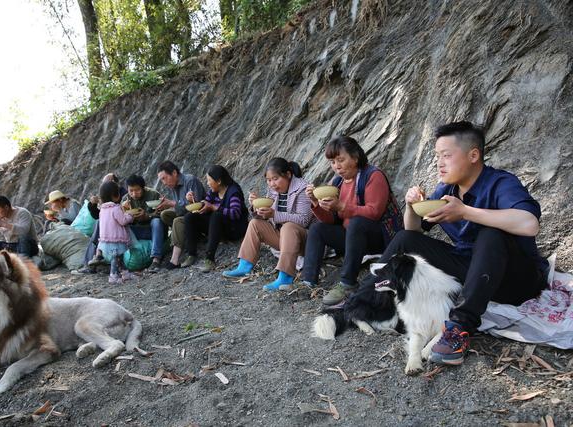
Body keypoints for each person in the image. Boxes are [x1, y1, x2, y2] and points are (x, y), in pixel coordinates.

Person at [359, 121, 548, 366]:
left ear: (473, 155)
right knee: (405, 240)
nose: (439, 162)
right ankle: (362, 299)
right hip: (472, 273)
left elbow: (529, 223)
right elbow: (413, 231)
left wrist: (466, 212)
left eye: (447, 155)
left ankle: (458, 328)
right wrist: (411, 207)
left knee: (490, 234)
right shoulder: (447, 190)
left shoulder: (501, 183)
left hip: (516, 281)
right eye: (437, 156)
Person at [302, 136, 402, 305]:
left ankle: (348, 283)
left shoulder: (373, 176)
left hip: (380, 237)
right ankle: (308, 281)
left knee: (356, 222)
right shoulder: (338, 182)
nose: (337, 166)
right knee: (318, 229)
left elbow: (374, 212)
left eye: (341, 160)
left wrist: (341, 206)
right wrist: (315, 203)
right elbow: (331, 219)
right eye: (332, 162)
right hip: (353, 237)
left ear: (355, 158)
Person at [223, 158, 314, 291]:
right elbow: (266, 217)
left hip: (305, 241)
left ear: (288, 175)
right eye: (269, 180)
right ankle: (244, 266)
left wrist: (274, 214)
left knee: (288, 226)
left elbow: (304, 220)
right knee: (255, 223)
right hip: (283, 240)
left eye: (275, 178)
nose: (272, 184)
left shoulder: (303, 188)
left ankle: (285, 277)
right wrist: (256, 207)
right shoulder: (273, 191)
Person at [182, 165, 248, 273]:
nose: (207, 183)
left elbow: (235, 213)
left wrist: (213, 207)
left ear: (218, 181)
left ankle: (210, 258)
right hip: (217, 228)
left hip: (234, 229)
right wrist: (194, 201)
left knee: (216, 215)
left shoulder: (233, 191)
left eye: (209, 180)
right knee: (190, 217)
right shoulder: (214, 191)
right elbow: (206, 202)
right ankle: (191, 254)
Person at [155, 160, 206, 269]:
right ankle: (185, 236)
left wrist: (172, 203)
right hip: (186, 214)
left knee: (177, 221)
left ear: (174, 173)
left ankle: (174, 260)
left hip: (199, 216)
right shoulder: (173, 186)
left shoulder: (190, 180)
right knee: (164, 214)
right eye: (161, 180)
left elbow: (195, 205)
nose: (163, 182)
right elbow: (180, 208)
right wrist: (167, 205)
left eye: (164, 178)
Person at [73, 173, 126, 275]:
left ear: (115, 184)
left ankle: (96, 258)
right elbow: (97, 215)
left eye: (108, 183)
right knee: (98, 222)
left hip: (121, 227)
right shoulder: (106, 195)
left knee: (98, 224)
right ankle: (92, 261)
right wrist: (92, 205)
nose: (105, 186)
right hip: (111, 228)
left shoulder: (123, 194)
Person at [121, 174, 166, 272]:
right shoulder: (125, 199)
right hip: (136, 231)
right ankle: (116, 260)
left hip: (151, 231)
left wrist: (147, 216)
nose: (134, 194)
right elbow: (120, 219)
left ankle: (156, 260)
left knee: (157, 221)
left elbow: (163, 214)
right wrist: (123, 210)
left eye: (137, 190)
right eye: (131, 191)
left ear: (143, 188)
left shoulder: (153, 195)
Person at [97, 181, 139, 283]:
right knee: (115, 259)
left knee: (119, 258)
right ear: (116, 196)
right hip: (115, 240)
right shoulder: (115, 208)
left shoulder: (102, 209)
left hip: (105, 239)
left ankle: (125, 273)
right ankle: (113, 276)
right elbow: (123, 221)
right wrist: (130, 216)